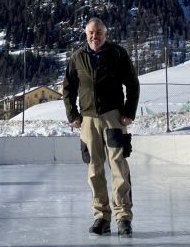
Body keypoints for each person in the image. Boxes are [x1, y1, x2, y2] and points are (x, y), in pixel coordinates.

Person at [63, 17, 140, 237]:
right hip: (88, 121)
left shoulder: (117, 53)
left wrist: (128, 112)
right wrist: (73, 115)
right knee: (94, 169)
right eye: (91, 33)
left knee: (119, 167)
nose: (94, 36)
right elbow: (68, 88)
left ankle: (123, 218)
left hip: (113, 118)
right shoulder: (77, 57)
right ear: (85, 34)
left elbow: (132, 83)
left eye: (98, 32)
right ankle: (101, 217)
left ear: (105, 34)